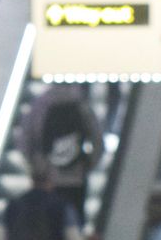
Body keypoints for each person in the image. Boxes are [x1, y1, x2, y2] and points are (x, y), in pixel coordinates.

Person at [21, 84, 102, 220]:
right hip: (76, 176)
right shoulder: (80, 102)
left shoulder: (40, 103)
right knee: (74, 221)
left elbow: (25, 140)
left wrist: (37, 167)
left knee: (49, 225)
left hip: (48, 178)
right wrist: (89, 164)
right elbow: (98, 139)